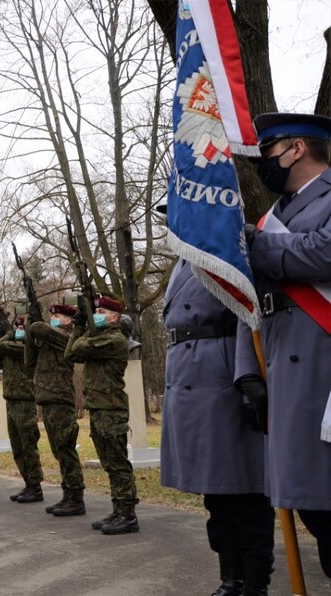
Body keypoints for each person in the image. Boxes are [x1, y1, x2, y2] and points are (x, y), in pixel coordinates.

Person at [237, 112, 331, 582]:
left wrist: (258, 248)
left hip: (323, 371)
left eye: (269, 152)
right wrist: (247, 373)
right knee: (309, 502)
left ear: (296, 148)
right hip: (282, 372)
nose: (264, 164)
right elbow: (248, 301)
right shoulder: (271, 219)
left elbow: (324, 251)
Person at [160, 259, 274, 595]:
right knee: (217, 495)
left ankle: (254, 585)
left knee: (246, 491)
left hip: (222, 379)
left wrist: (246, 375)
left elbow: (247, 313)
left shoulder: (223, 249)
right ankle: (230, 580)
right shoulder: (183, 262)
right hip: (187, 379)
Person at [65, 296, 138, 535]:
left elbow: (77, 348)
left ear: (114, 317)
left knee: (117, 464)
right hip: (99, 408)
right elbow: (70, 355)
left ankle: (127, 515)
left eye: (100, 311)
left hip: (111, 409)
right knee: (109, 463)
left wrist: (83, 327)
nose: (96, 314)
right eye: (94, 310)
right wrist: (80, 325)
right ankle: (119, 510)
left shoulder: (115, 339)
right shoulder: (100, 337)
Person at [29, 304, 86, 517]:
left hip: (61, 399)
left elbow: (38, 327)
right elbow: (29, 360)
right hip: (48, 399)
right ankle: (68, 495)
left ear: (69, 320)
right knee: (58, 451)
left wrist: (33, 321)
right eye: (51, 314)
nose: (52, 317)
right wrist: (28, 334)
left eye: (57, 315)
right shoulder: (48, 340)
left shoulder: (66, 337)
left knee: (66, 449)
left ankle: (76, 498)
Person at [0, 316, 43, 503]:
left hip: (25, 401)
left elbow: (4, 347)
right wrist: (5, 337)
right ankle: (28, 483)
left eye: (22, 327)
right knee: (17, 447)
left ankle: (36, 486)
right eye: (17, 326)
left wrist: (8, 336)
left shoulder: (30, 347)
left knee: (28, 445)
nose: (19, 329)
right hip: (11, 401)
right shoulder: (8, 347)